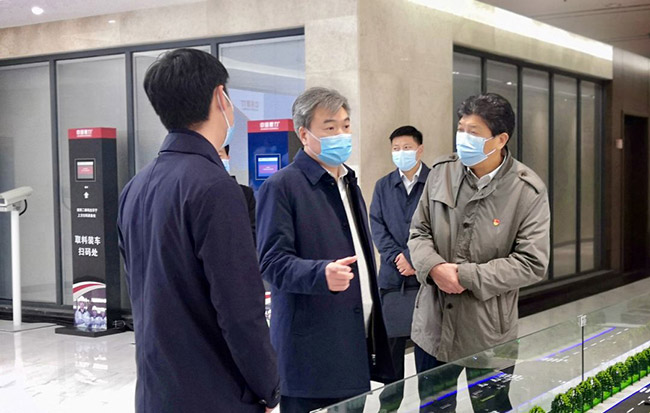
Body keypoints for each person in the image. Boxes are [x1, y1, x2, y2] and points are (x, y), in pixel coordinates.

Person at [117, 48, 280, 413]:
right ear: (221, 97)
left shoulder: (135, 187)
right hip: (216, 394)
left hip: (156, 392)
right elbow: (240, 311)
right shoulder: (216, 187)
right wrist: (268, 386)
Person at [408, 93, 551, 412]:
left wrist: (464, 276)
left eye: (473, 132)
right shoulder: (441, 172)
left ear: (501, 139)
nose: (463, 138)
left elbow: (531, 263)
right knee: (433, 408)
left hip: (488, 333)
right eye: (461, 129)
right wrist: (434, 268)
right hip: (433, 326)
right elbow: (418, 231)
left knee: (491, 407)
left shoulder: (527, 190)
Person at [257, 87, 396, 413]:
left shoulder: (349, 182)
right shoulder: (282, 186)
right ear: (304, 134)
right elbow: (271, 261)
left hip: (354, 346)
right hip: (310, 359)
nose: (341, 135)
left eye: (345, 126)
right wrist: (320, 274)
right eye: (330, 127)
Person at [369, 125, 430, 412]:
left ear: (420, 149)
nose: (401, 153)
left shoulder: (435, 182)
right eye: (396, 149)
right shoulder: (383, 185)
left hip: (427, 282)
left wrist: (413, 258)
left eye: (406, 148)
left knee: (428, 359)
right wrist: (398, 258)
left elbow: (441, 227)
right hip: (392, 283)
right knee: (391, 364)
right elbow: (377, 226)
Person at [217, 144, 256, 242]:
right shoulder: (195, 195)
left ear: (228, 157)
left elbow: (254, 231)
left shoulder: (245, 194)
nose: (215, 160)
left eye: (219, 156)